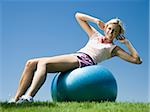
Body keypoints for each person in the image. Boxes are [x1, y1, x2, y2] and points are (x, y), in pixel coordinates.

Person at [8, 12, 142, 103]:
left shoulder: (114, 49)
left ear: (118, 35)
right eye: (109, 28)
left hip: (85, 61)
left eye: (115, 32)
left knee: (43, 63)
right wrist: (96, 21)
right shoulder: (95, 35)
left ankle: (29, 97)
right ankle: (15, 100)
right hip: (76, 55)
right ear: (105, 28)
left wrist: (128, 44)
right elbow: (78, 16)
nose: (111, 32)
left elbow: (137, 60)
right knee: (30, 63)